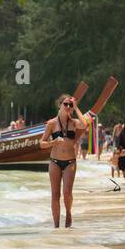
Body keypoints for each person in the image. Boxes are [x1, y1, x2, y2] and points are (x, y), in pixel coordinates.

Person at [40, 93, 91, 228]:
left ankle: (68, 213)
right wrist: (54, 142)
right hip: (55, 162)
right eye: (66, 104)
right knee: (55, 195)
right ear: (60, 105)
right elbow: (41, 143)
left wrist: (76, 107)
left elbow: (85, 124)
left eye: (70, 105)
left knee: (67, 193)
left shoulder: (74, 122)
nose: (68, 107)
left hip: (70, 162)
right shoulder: (52, 123)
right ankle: (56, 226)